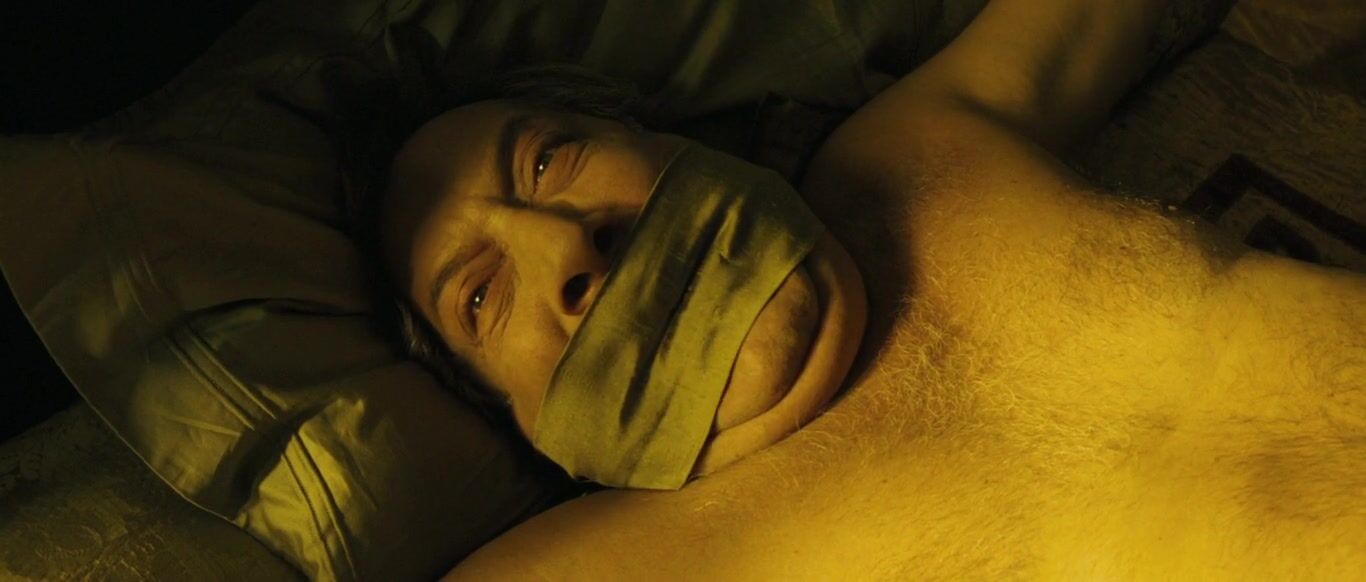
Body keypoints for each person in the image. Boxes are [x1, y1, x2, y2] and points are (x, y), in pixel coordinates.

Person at [365, 0, 1365, 577]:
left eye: (547, 162)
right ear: (516, 422)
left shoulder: (910, 163)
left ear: (662, 140)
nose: (565, 244)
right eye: (480, 298)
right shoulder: (602, 566)